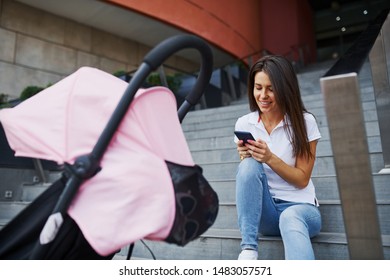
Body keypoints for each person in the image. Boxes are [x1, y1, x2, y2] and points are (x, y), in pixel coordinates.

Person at [234, 55, 322, 260]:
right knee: (247, 165)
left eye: (271, 88)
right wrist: (246, 157)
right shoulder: (244, 123)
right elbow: (250, 180)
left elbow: (302, 180)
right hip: (266, 214)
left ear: (285, 88)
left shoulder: (305, 122)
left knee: (290, 217)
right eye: (258, 87)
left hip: (301, 210)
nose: (263, 95)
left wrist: (269, 158)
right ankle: (248, 250)